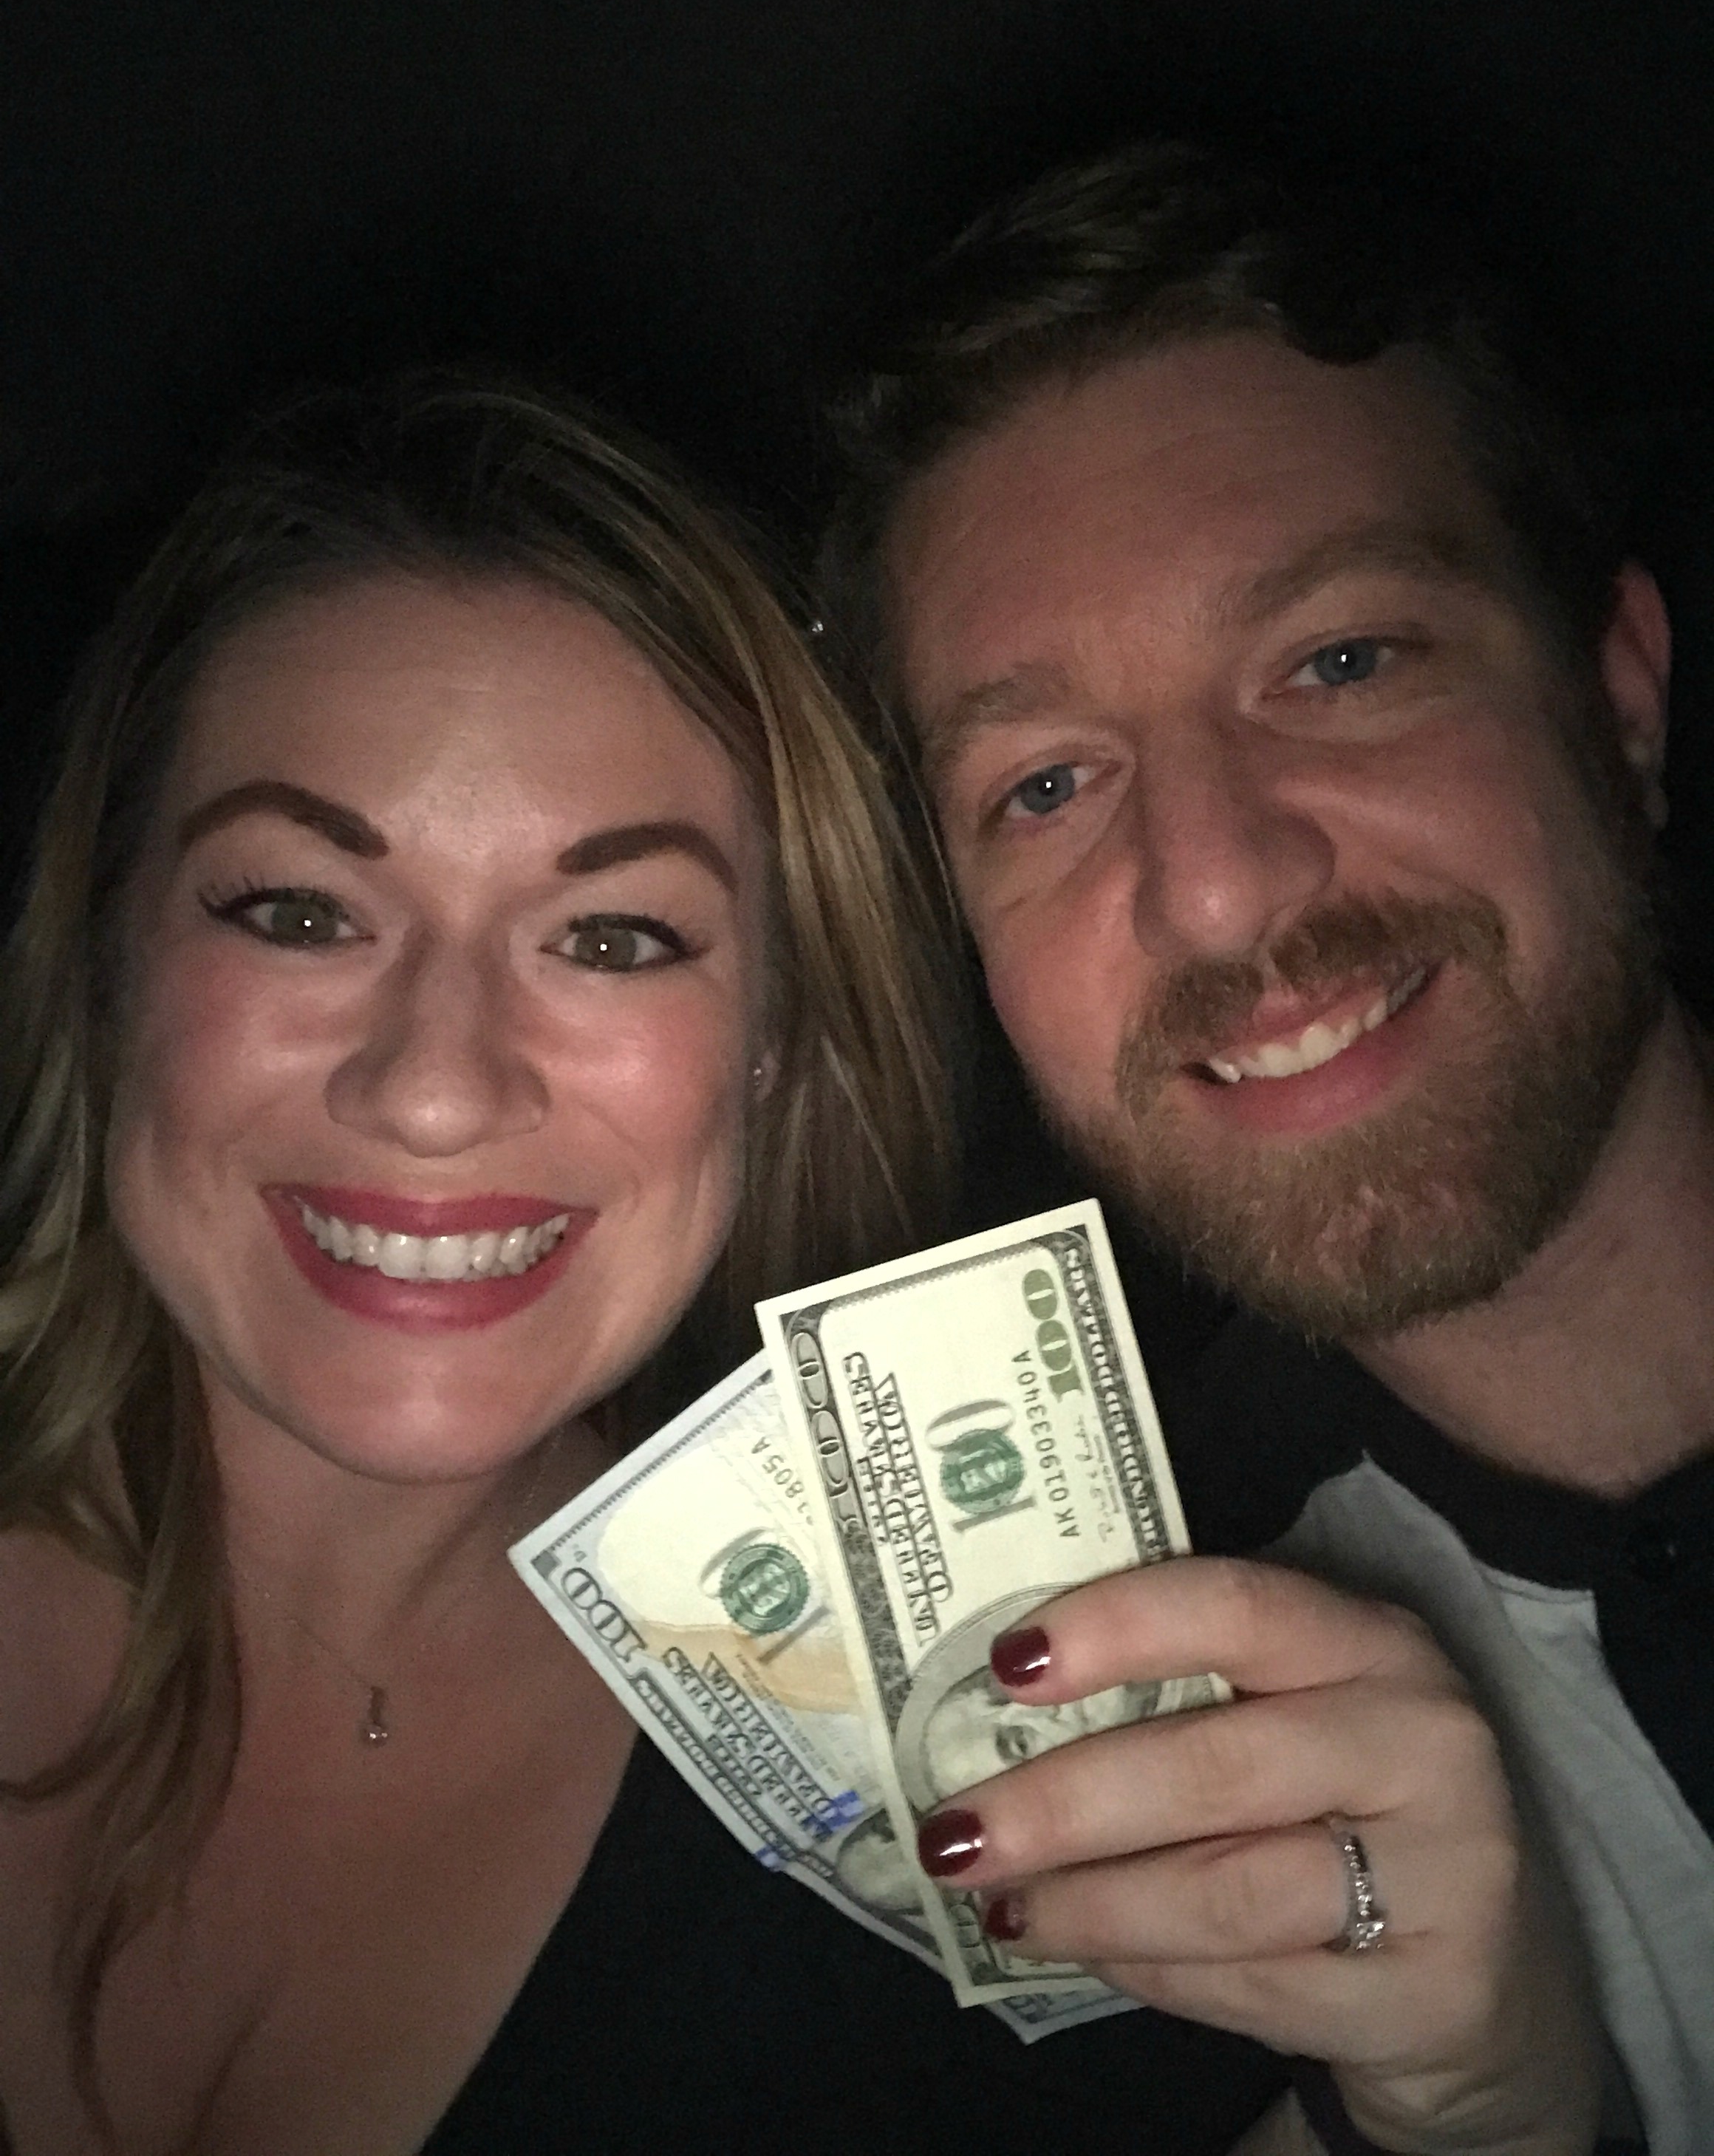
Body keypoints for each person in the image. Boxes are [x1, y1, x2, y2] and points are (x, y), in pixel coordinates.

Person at [0, 369, 1310, 2156]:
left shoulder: (962, 1801)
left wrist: (1455, 2107)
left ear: (769, 1048)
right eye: (299, 910)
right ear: (109, 962)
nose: (437, 1086)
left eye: (613, 936)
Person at [821, 139, 1714, 2155]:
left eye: (1339, 662)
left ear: (1618, 700)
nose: (1217, 888)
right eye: (1047, 784)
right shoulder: (1123, 1778)